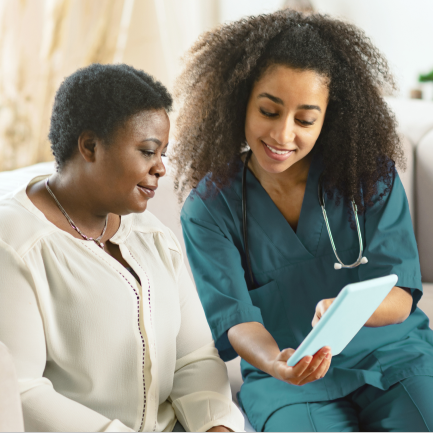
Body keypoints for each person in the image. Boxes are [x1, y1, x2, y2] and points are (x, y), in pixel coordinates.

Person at [175, 10, 433, 432]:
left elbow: (402, 294)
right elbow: (237, 319)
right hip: (289, 377)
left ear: (329, 118)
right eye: (269, 111)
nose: (282, 135)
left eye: (305, 119)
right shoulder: (209, 209)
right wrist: (275, 362)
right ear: (241, 101)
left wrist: (348, 310)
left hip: (393, 358)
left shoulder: (368, 178)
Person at [0, 63, 244, 432]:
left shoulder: (152, 234)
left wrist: (215, 425)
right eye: (148, 151)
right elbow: (21, 392)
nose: (161, 168)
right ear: (90, 146)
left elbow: (193, 356)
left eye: (162, 153)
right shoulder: (15, 243)